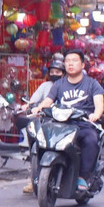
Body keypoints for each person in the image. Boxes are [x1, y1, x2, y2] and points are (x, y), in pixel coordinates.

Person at [37, 49, 104, 192]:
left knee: (91, 140)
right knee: (42, 137)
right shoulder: (58, 84)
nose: (70, 64)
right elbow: (48, 101)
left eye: (74, 61)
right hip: (62, 124)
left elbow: (99, 104)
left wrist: (95, 114)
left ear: (83, 65)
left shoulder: (92, 84)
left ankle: (83, 177)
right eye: (67, 61)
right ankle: (39, 174)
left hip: (83, 124)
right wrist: (38, 108)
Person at [21, 57, 66, 195]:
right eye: (52, 72)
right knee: (35, 145)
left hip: (64, 123)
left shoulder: (67, 85)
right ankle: (33, 179)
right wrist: (29, 106)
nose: (54, 74)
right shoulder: (45, 86)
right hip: (46, 121)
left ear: (63, 73)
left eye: (58, 72)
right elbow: (33, 101)